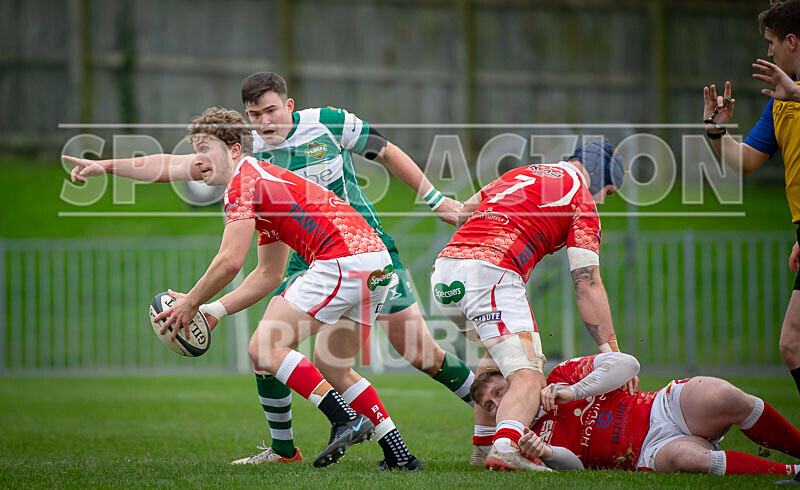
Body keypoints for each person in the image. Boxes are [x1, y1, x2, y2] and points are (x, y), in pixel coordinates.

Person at [63, 71, 476, 465]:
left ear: (288, 105)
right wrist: (107, 166)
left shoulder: (308, 135)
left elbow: (230, 262)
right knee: (322, 363)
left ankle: (475, 408)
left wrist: (436, 199)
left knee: (413, 353)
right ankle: (389, 453)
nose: (263, 122)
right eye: (254, 116)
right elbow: (261, 268)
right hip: (342, 257)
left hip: (347, 252)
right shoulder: (252, 161)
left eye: (271, 111)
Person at [150, 107, 421, 470]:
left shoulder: (242, 182)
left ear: (233, 149)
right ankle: (400, 456)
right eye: (194, 149)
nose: (197, 161)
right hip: (374, 263)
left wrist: (191, 303)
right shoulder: (264, 183)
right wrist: (213, 310)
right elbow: (268, 274)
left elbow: (230, 260)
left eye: (204, 148)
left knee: (264, 347)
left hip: (343, 258)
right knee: (334, 367)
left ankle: (347, 420)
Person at [430, 141, 633, 471]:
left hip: (445, 273)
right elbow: (587, 284)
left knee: (496, 354)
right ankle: (506, 446)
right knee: (529, 374)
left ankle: (483, 447)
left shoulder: (520, 173)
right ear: (598, 176)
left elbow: (465, 211)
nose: (601, 201)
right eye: (607, 193)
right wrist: (612, 352)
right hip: (491, 272)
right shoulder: (581, 197)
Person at [470, 352, 800, 480]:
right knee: (691, 459)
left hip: (663, 407)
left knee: (725, 396)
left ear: (517, 381)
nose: (497, 405)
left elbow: (627, 364)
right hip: (648, 452)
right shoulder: (522, 442)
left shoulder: (562, 375)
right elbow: (578, 468)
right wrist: (546, 453)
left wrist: (573, 391)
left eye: (499, 392)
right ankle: (793, 472)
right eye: (490, 406)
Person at [702, 0, 800, 398]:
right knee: (792, 343)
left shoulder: (792, 94)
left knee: (793, 342)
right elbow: (743, 162)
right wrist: (714, 131)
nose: (768, 52)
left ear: (791, 41)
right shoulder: (780, 103)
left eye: (772, 43)